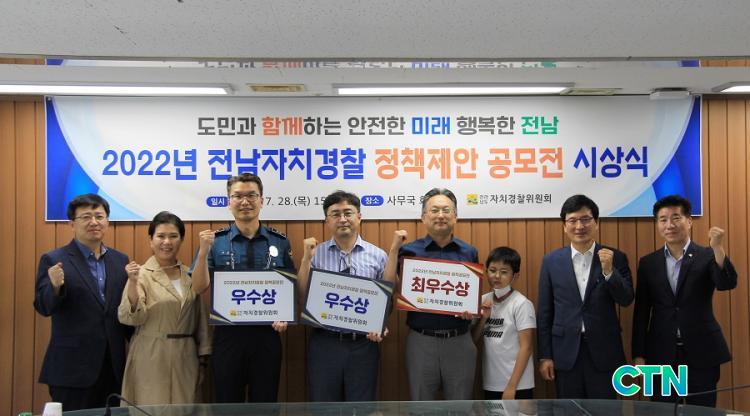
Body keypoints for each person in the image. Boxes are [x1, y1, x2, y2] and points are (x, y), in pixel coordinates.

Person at [190, 172, 295, 403]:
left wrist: (284, 315)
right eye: (238, 196)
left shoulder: (279, 241)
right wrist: (204, 252)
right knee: (228, 403)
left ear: (262, 200)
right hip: (228, 335)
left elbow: (289, 286)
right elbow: (197, 287)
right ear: (229, 202)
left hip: (267, 334)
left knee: (265, 403)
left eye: (251, 195)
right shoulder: (215, 241)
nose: (245, 201)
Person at [632, 195, 737, 407]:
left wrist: (717, 248)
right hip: (661, 353)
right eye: (663, 219)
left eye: (676, 218)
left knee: (702, 410)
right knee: (661, 410)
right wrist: (639, 355)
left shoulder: (707, 255)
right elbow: (641, 311)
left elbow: (726, 283)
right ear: (657, 224)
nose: (669, 225)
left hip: (702, 351)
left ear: (689, 221)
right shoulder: (648, 263)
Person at [33, 194, 131, 411]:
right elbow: (42, 306)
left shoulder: (120, 260)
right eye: (86, 217)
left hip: (112, 367)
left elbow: (123, 311)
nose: (94, 222)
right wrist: (54, 287)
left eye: (99, 216)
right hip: (72, 369)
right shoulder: (54, 259)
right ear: (72, 224)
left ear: (107, 221)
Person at [384, 188, 479, 400]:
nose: (441, 215)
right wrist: (393, 250)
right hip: (421, 340)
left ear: (455, 216)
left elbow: (471, 295)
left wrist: (470, 312)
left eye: (446, 210)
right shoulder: (408, 251)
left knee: (460, 407)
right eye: (434, 210)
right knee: (421, 405)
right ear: (423, 217)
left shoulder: (469, 252)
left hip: (459, 339)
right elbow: (388, 286)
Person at [536, 194, 633, 399]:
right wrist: (545, 356)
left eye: (585, 219)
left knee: (605, 410)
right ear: (564, 226)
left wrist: (609, 272)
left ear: (596, 222)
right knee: (567, 410)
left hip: (604, 352)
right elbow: (544, 313)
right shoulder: (551, 261)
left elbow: (626, 299)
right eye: (572, 220)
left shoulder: (615, 257)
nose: (579, 226)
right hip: (565, 352)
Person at [297, 190, 391, 401]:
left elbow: (386, 300)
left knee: (362, 406)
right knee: (323, 406)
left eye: (348, 213)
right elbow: (301, 295)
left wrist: (380, 323)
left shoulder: (378, 256)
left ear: (359, 217)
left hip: (363, 344)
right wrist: (305, 260)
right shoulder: (315, 254)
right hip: (325, 342)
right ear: (327, 220)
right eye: (335, 214)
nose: (342, 219)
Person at [118, 211, 211, 405]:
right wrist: (133, 283)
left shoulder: (190, 274)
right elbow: (131, 318)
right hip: (150, 353)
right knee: (151, 407)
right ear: (151, 240)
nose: (167, 242)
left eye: (173, 236)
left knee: (185, 407)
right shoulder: (141, 274)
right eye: (160, 236)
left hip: (186, 355)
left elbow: (200, 319)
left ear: (181, 240)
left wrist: (203, 356)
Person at [472, 246, 535, 400]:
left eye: (504, 272)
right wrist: (484, 318)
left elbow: (526, 347)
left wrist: (511, 387)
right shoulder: (483, 300)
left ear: (515, 276)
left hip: (518, 385)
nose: (497, 276)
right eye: (492, 270)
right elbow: (473, 340)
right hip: (491, 382)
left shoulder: (522, 304)